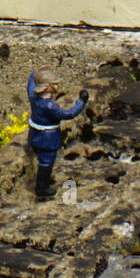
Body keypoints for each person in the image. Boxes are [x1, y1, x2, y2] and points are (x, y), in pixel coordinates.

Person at [27, 68, 89, 201]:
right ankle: (41, 188)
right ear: (47, 87)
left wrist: (34, 74)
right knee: (46, 162)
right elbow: (68, 114)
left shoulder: (33, 96)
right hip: (47, 139)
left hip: (35, 135)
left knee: (42, 159)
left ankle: (44, 181)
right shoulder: (49, 106)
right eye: (53, 84)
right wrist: (81, 101)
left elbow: (30, 83)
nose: (56, 86)